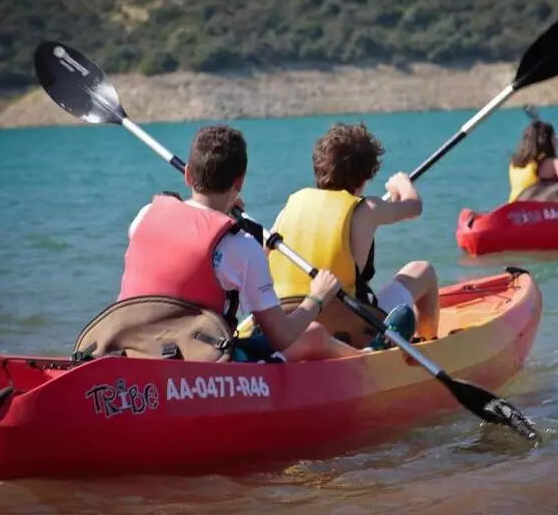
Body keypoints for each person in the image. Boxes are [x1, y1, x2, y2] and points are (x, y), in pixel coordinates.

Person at [117, 124, 413, 362]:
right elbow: (283, 336)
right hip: (203, 362)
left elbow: (184, 240)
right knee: (313, 335)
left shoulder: (145, 215)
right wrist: (318, 297)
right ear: (240, 182)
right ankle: (367, 357)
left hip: (132, 349)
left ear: (187, 175)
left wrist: (220, 213)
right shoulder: (240, 245)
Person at [266, 122, 434, 348]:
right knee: (422, 271)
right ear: (365, 176)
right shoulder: (368, 209)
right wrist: (402, 184)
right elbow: (413, 207)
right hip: (348, 324)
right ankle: (429, 346)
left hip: (290, 322)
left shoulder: (291, 206)